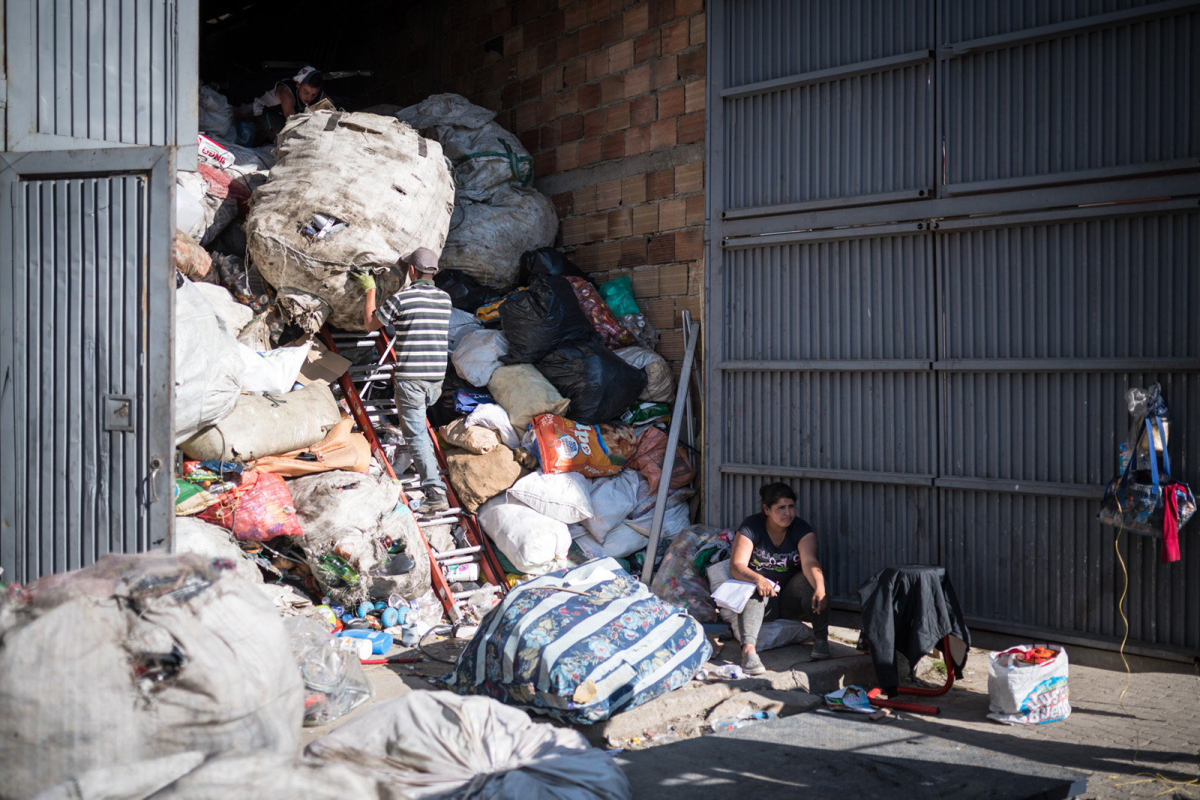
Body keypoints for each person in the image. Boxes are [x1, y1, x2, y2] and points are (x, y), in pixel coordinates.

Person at [354, 248, 453, 515]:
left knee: (416, 435)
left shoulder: (403, 299)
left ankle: (434, 493)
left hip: (412, 379)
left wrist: (370, 290)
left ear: (411, 271)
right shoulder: (445, 299)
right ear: (435, 271)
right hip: (436, 380)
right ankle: (417, 461)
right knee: (418, 431)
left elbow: (370, 325)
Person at [729, 482, 830, 675]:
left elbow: (810, 562)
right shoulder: (751, 526)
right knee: (750, 585)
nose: (788, 513)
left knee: (813, 581)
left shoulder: (802, 529)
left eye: (791, 506)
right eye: (780, 508)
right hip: (763, 602)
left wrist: (820, 588)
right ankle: (748, 651)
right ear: (766, 509)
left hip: (789, 602)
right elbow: (736, 566)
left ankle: (821, 640)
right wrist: (758, 579)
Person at [250, 66, 330, 144]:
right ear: (298, 85)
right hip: (265, 111)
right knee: (287, 140)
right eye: (306, 92)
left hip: (286, 116)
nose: (309, 97)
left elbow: (329, 113)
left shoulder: (321, 96)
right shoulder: (286, 93)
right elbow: (293, 122)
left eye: (314, 94)